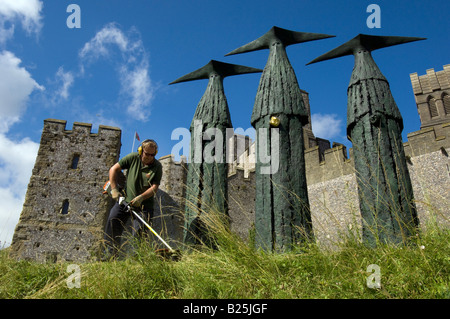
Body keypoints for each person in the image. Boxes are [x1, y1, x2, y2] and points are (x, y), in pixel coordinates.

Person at [103, 139, 163, 258]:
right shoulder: (132, 158)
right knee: (113, 219)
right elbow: (113, 170)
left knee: (139, 232)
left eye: (152, 154)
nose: (149, 157)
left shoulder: (157, 166)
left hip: (144, 206)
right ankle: (110, 254)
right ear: (141, 151)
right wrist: (114, 189)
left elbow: (155, 187)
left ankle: (136, 258)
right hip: (125, 201)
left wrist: (141, 197)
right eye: (147, 154)